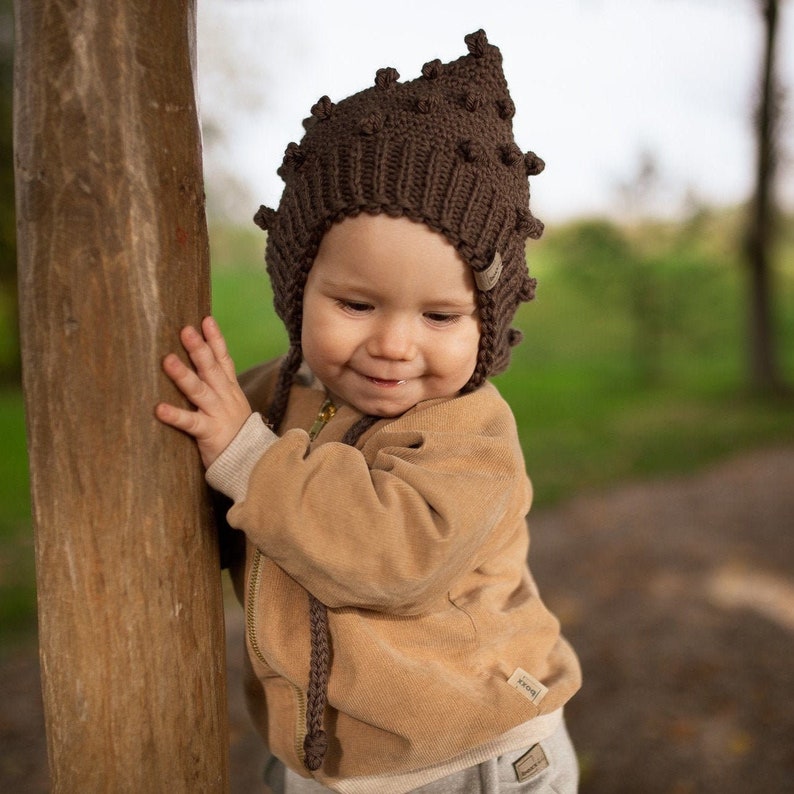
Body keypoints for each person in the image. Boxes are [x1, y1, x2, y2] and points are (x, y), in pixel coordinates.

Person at [156, 29, 581, 794]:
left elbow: (393, 555)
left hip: (468, 752)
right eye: (356, 304)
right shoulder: (271, 400)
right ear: (297, 287)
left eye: (440, 317)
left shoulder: (470, 433)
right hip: (339, 765)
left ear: (486, 323)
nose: (392, 345)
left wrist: (248, 460)